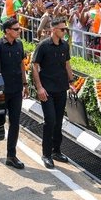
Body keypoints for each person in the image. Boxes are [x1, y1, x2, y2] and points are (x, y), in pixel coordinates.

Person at [31, 16, 77, 169]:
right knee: (50, 121)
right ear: (54, 29)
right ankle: (46, 154)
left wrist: (71, 82)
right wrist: (39, 88)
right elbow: (35, 66)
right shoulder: (43, 46)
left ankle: (56, 151)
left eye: (66, 29)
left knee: (58, 122)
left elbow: (67, 64)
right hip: (47, 90)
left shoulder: (64, 46)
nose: (65, 32)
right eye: (62, 29)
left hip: (61, 89)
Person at [0, 17, 26, 168]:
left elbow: (22, 64)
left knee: (15, 123)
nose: (19, 31)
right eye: (16, 29)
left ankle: (11, 155)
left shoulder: (19, 44)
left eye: (19, 28)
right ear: (7, 31)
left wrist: (25, 83)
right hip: (1, 90)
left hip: (16, 90)